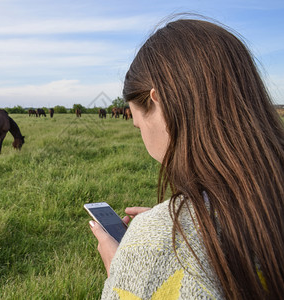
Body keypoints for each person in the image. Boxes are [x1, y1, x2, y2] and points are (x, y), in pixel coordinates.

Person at [89, 17, 284, 299]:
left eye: (138, 125)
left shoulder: (152, 243)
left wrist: (122, 269)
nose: (141, 134)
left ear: (159, 103)